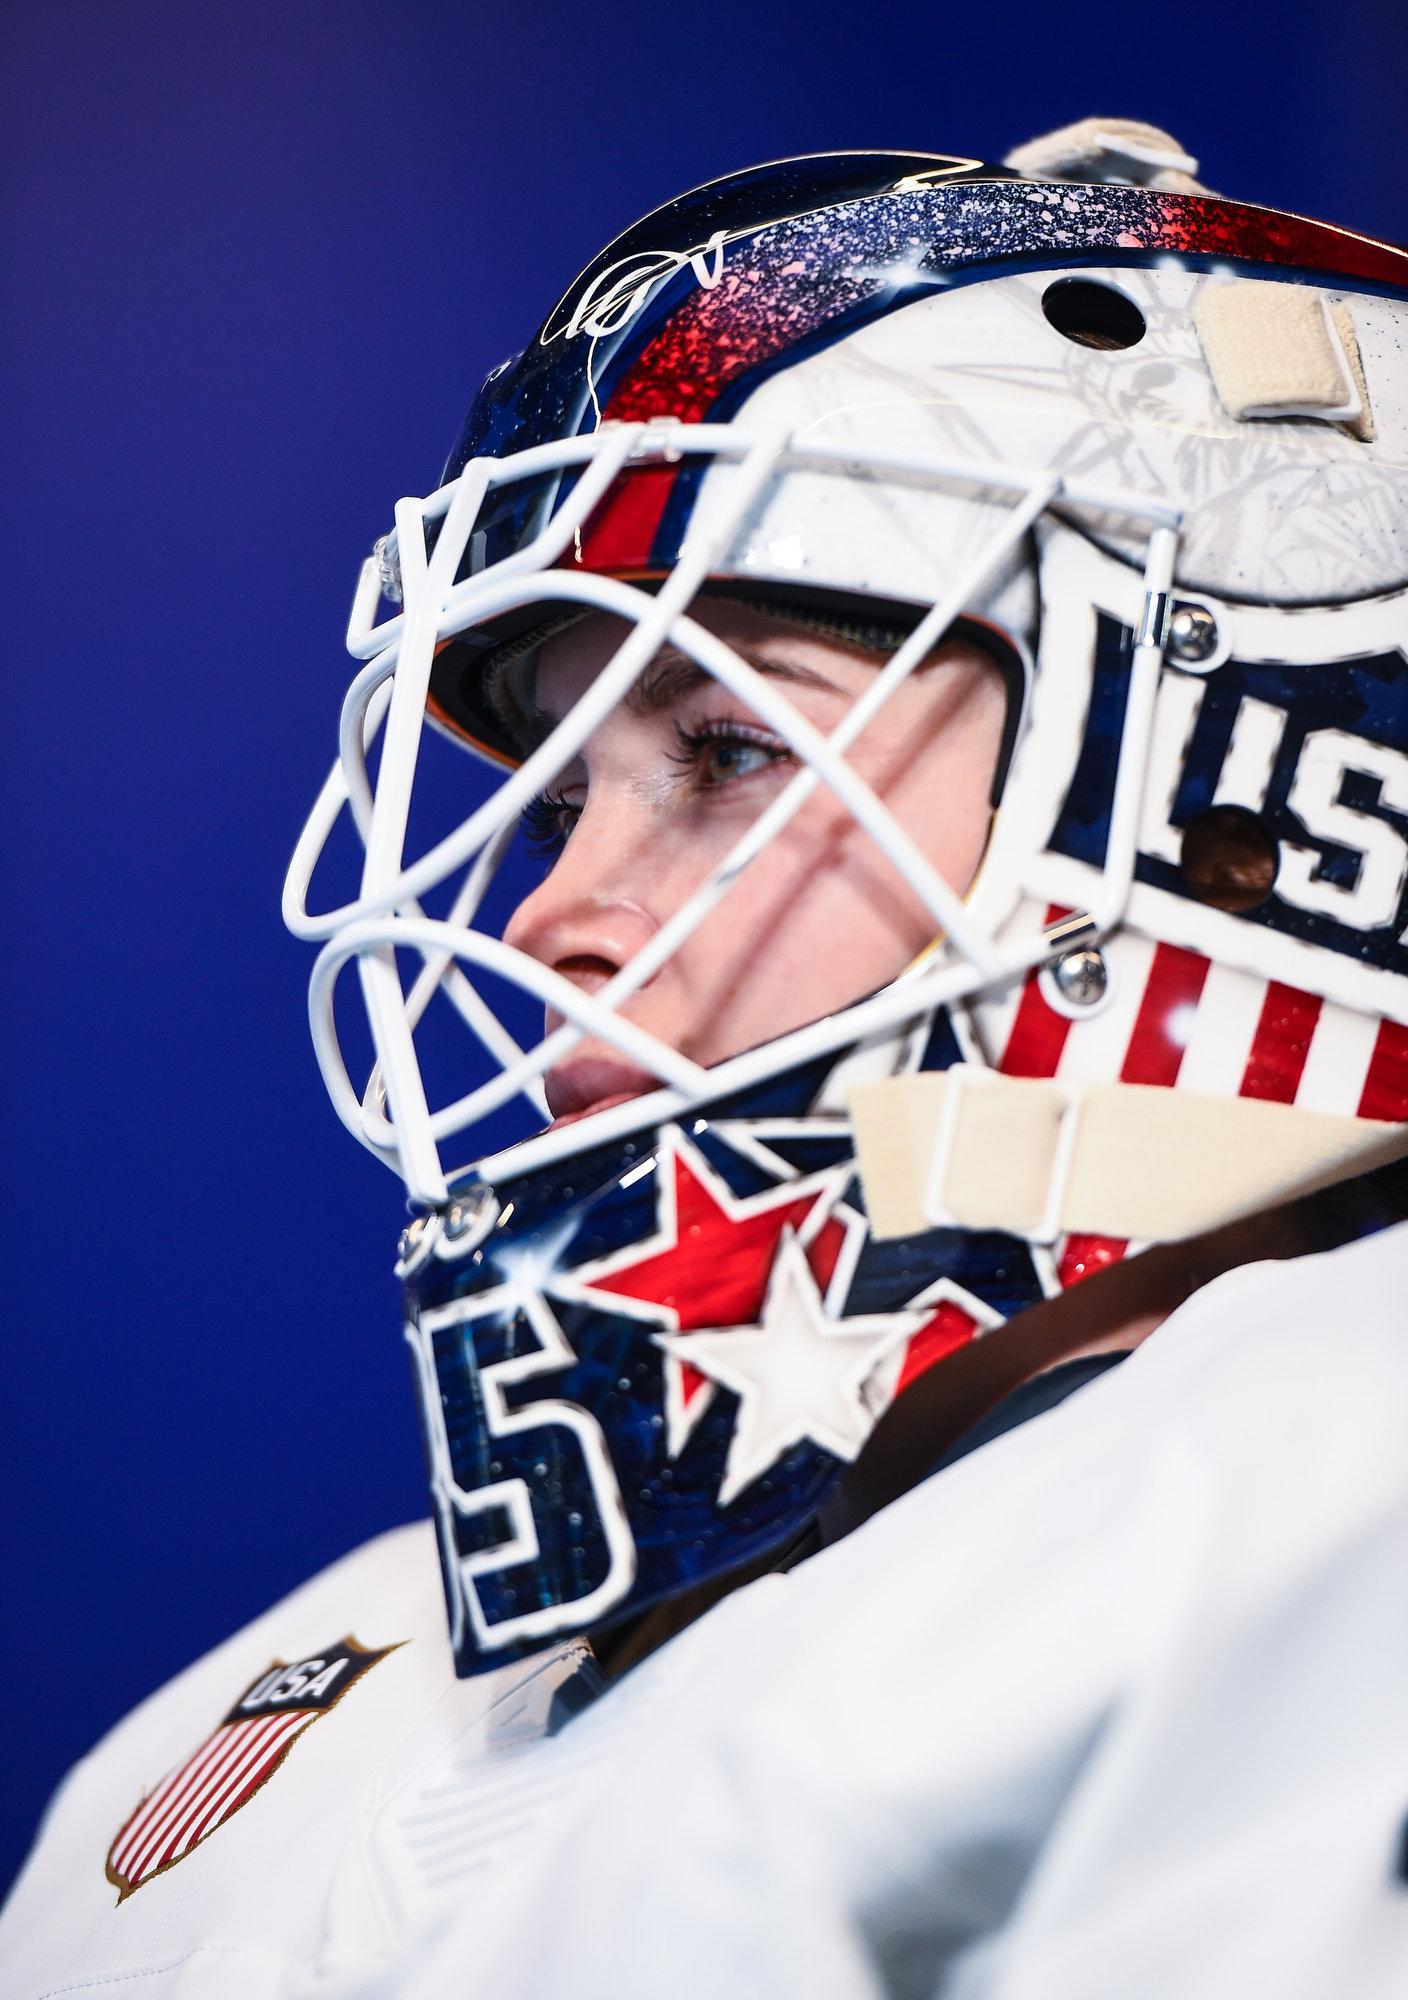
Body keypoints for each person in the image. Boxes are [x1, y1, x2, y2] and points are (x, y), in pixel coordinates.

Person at [6, 118, 1408, 1998]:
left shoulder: (1317, 1504)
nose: (544, 915)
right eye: (560, 799)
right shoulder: (286, 1698)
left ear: (1240, 829)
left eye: (733, 747)